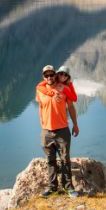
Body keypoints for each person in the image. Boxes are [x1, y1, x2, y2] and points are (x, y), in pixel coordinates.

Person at [36, 64, 79, 197]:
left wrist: (75, 125)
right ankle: (52, 187)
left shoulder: (63, 88)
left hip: (62, 130)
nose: (49, 77)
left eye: (51, 74)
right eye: (46, 75)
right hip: (46, 131)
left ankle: (68, 187)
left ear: (55, 75)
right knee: (50, 160)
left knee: (65, 159)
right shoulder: (40, 90)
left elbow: (71, 107)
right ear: (44, 77)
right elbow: (41, 107)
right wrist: (43, 125)